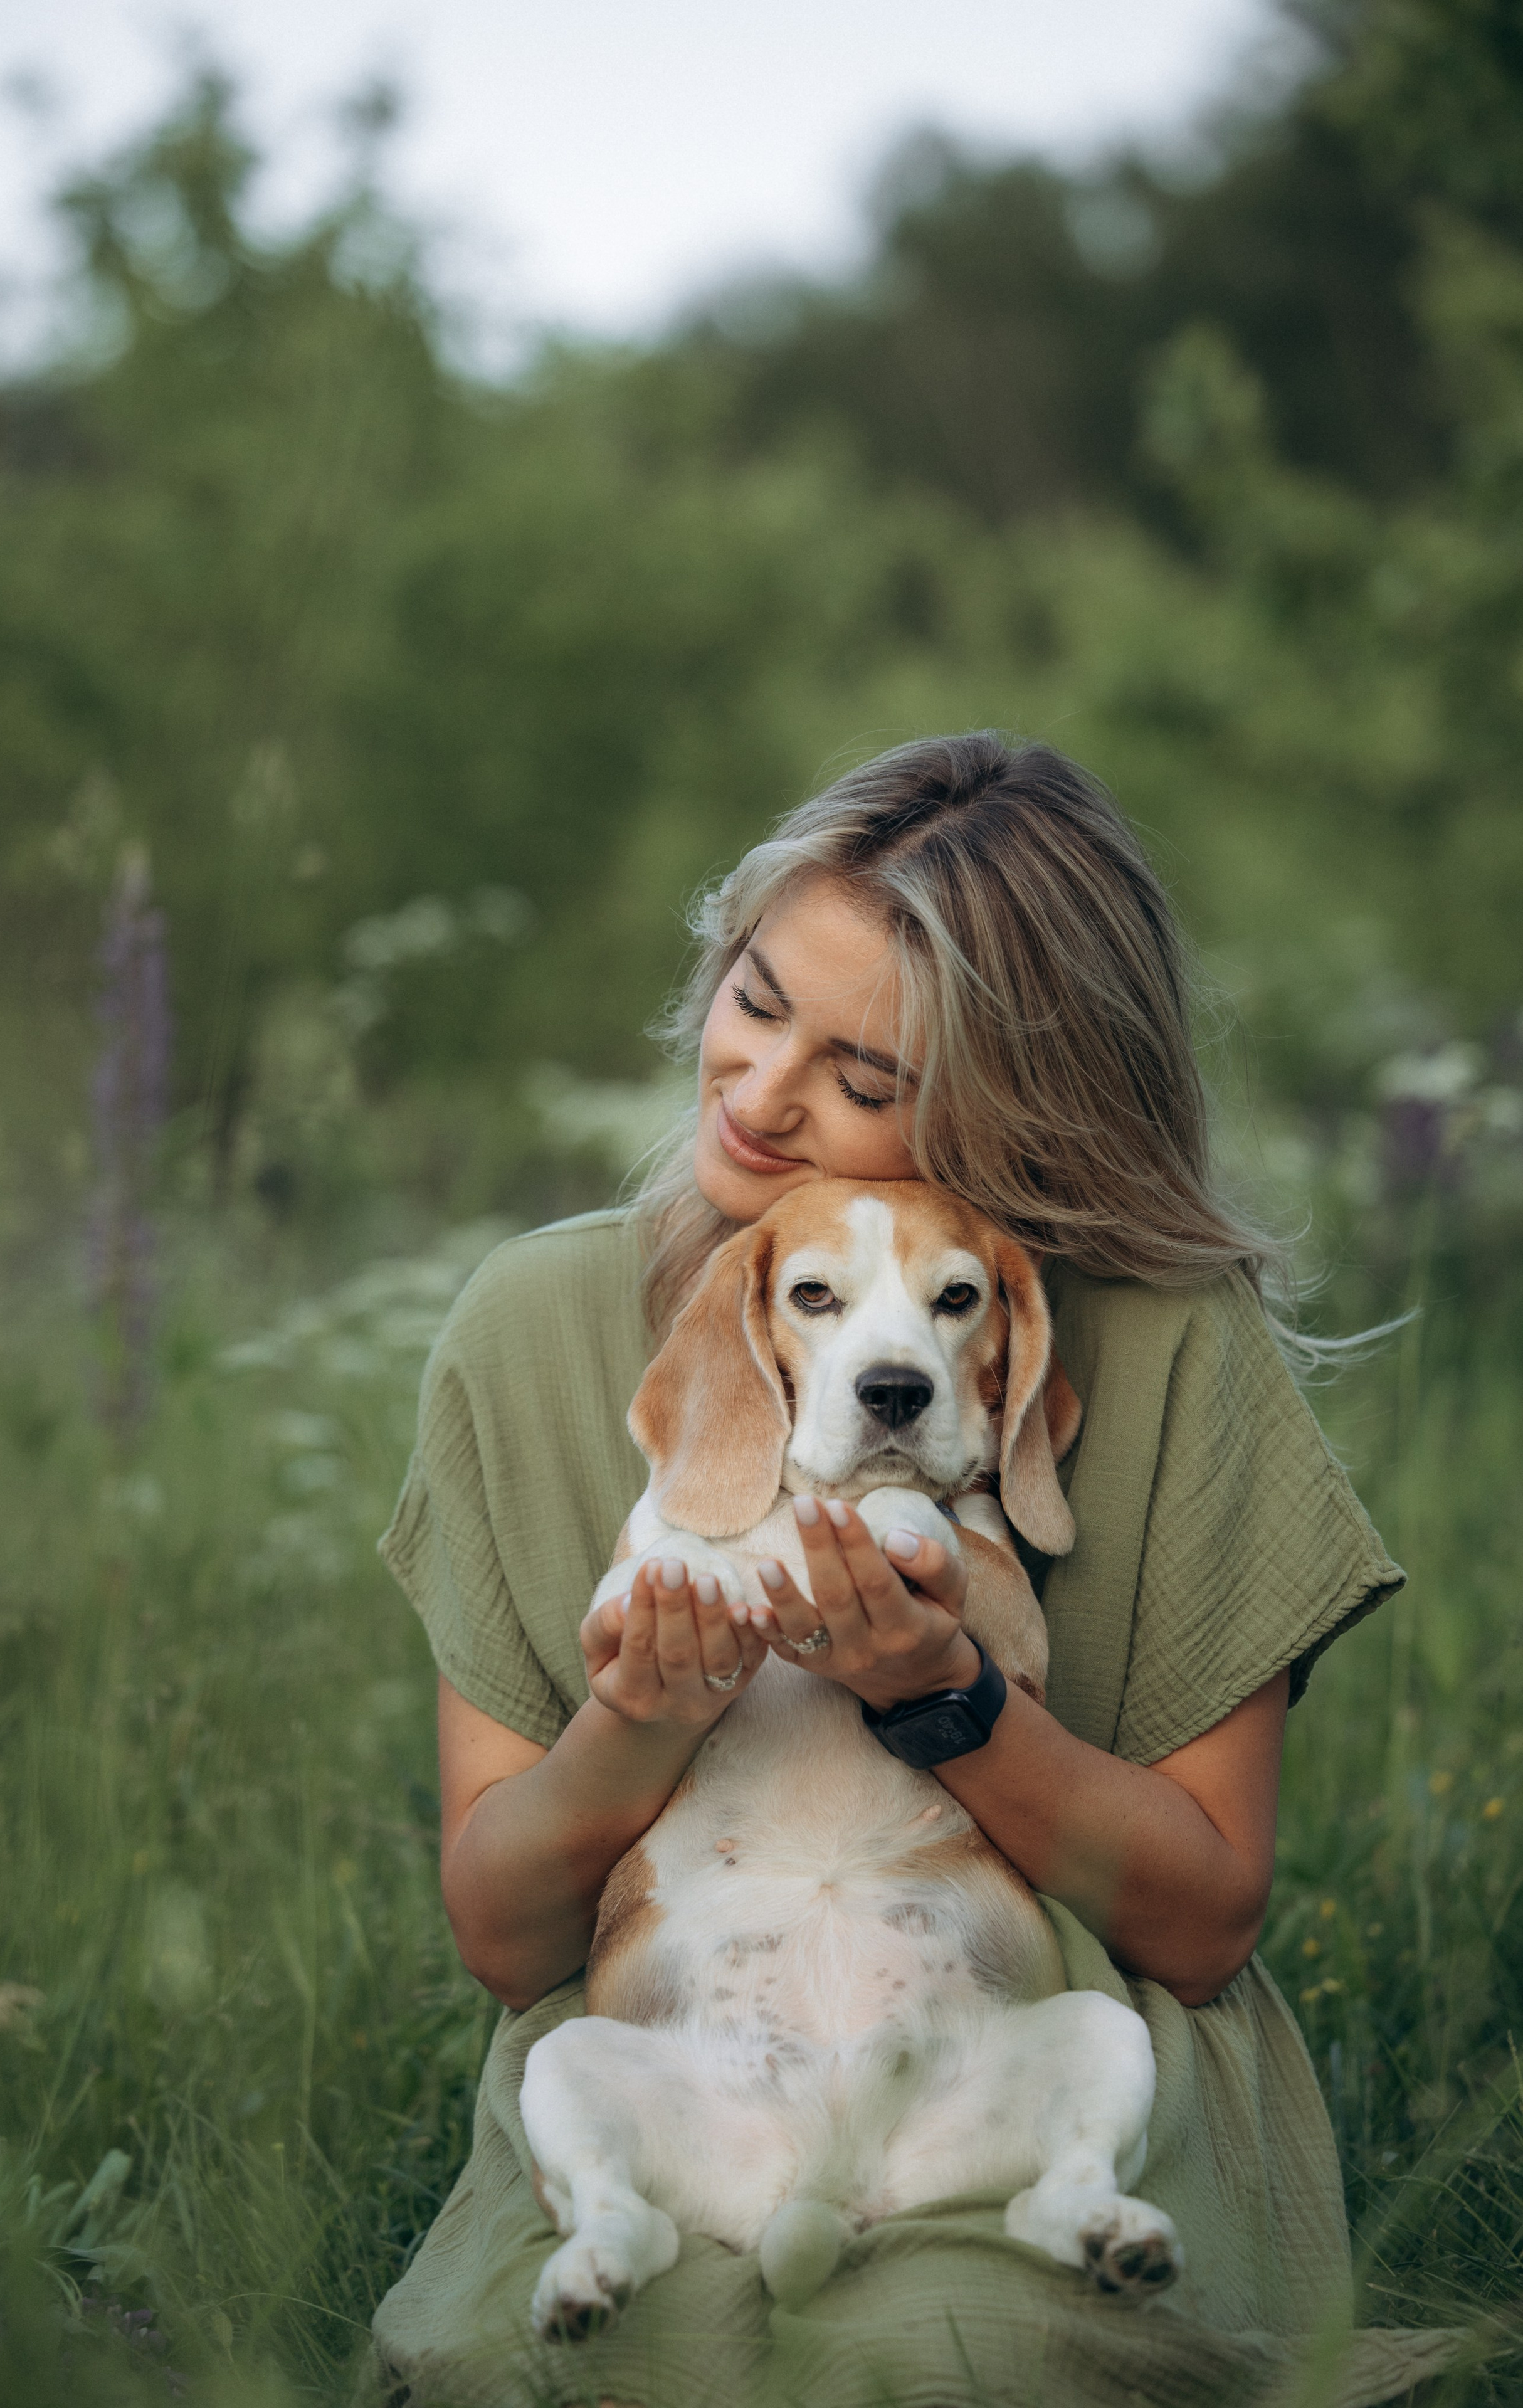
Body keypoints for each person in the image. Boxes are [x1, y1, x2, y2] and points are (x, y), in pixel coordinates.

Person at [366, 735, 1457, 2408]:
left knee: (943, 2356)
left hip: (1041, 2038)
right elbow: (514, 1944)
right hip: (678, 2047)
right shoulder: (528, 1331)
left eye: (866, 1080)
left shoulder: (1165, 1341)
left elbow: (1204, 1920)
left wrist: (947, 1702)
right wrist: (641, 1722)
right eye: (753, 994)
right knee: (632, 2365)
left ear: (1021, 1105)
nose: (757, 1088)